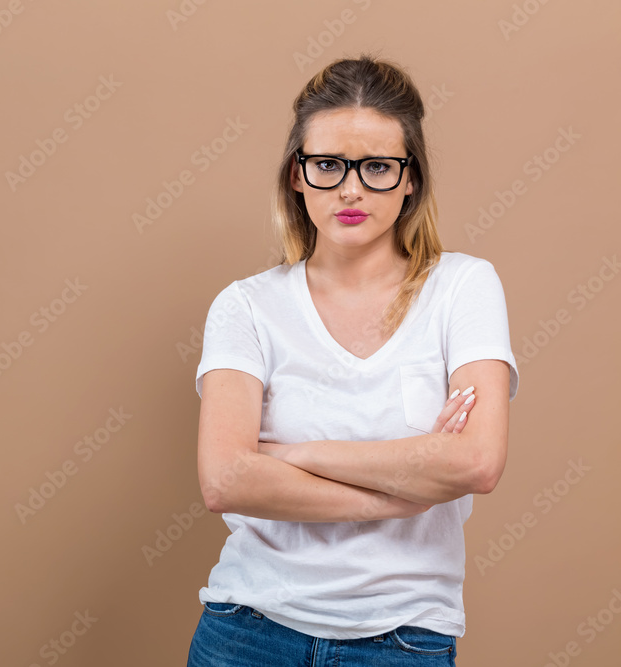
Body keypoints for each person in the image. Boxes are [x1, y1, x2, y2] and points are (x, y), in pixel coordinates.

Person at [186, 53, 519, 666]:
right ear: (296, 174)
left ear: (411, 177)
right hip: (247, 632)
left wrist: (295, 457)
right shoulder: (246, 307)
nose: (350, 188)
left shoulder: (464, 288)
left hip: (402, 640)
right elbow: (226, 480)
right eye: (329, 165)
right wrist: (402, 493)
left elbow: (476, 461)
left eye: (377, 168)